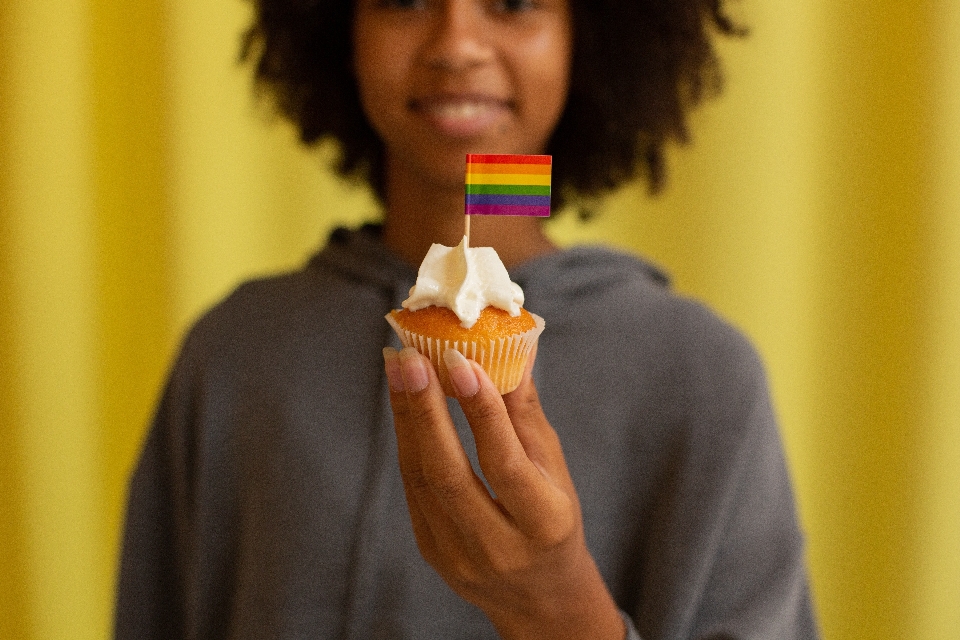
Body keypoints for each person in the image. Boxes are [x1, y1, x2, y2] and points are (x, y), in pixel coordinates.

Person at [115, 0, 819, 638]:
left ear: (589, 36)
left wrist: (559, 609)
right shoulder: (233, 353)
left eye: (513, 3)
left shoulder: (702, 374)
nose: (456, 43)